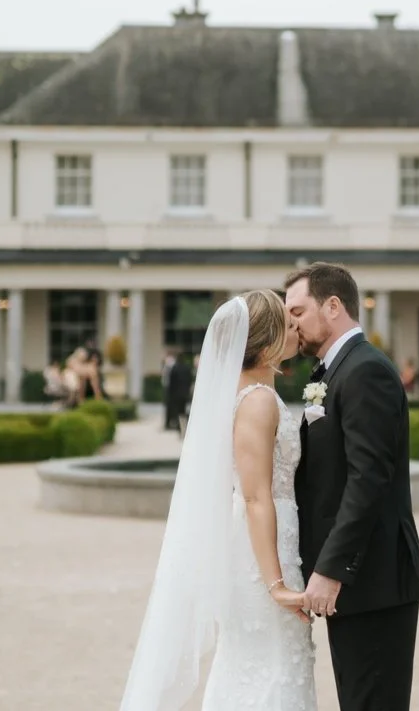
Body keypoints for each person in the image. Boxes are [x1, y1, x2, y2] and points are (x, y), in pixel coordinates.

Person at [121, 290, 315, 710]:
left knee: (263, 662)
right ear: (266, 343)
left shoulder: (252, 394)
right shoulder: (257, 401)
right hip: (264, 553)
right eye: (288, 324)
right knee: (270, 664)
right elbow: (256, 495)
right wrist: (276, 584)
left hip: (267, 543)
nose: (297, 328)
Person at [286, 262, 419, 710]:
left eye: (298, 312)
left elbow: (368, 480)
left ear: (333, 306)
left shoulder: (366, 370)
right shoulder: (330, 371)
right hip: (357, 584)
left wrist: (330, 570)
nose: (292, 325)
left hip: (374, 581)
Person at [163, 350, 193, 436]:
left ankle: (178, 427)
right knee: (183, 411)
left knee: (177, 411)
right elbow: (190, 380)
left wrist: (170, 394)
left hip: (176, 394)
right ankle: (182, 427)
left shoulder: (175, 368)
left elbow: (171, 383)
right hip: (185, 394)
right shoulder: (187, 368)